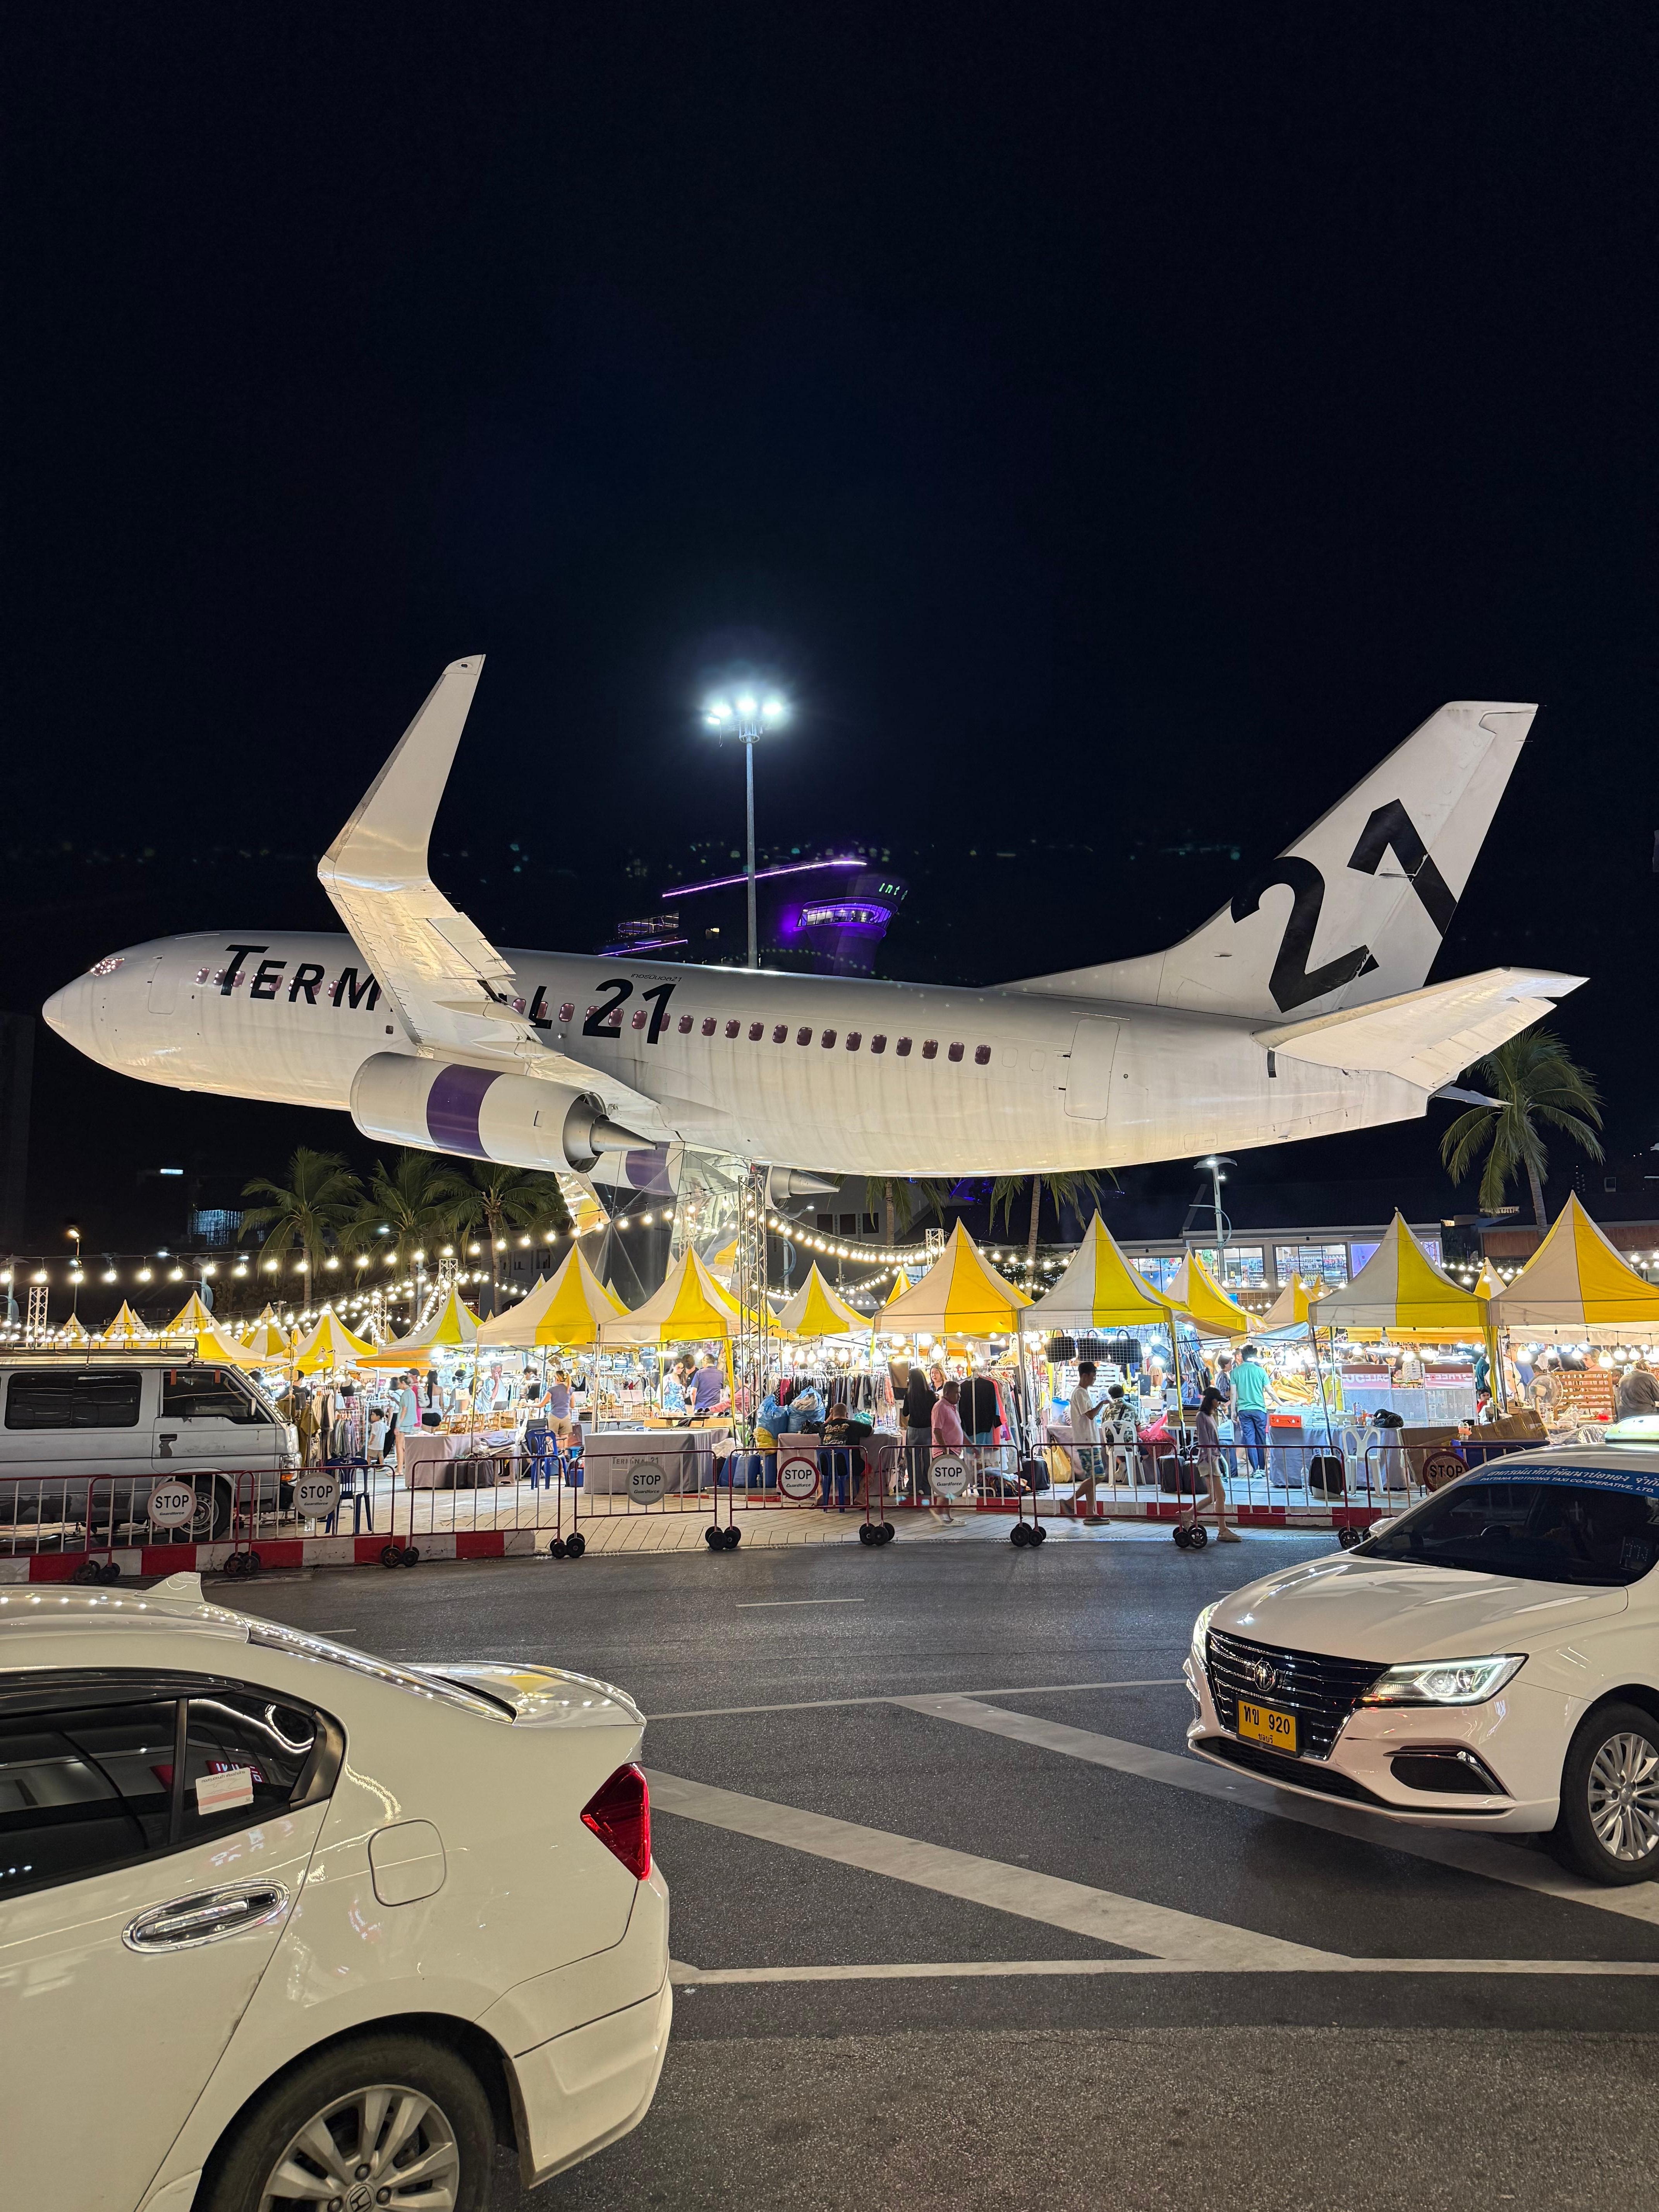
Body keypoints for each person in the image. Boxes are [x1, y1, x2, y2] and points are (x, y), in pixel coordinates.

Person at [1193, 1386, 1241, 1540]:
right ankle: (1222, 1530)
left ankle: (1188, 1515)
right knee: (1220, 1496)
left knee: (1215, 1496)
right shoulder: (1202, 1416)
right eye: (1217, 1401)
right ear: (1211, 1401)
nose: (1219, 1404)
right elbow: (1204, 1440)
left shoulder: (1210, 1416)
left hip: (1212, 1458)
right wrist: (1211, 1457)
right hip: (1208, 1460)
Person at [1063, 1360, 1109, 1517]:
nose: (1094, 1379)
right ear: (1085, 1376)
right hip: (1087, 1441)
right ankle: (1071, 1502)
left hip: (1088, 1440)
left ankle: (1091, 1512)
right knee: (1099, 1476)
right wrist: (1102, 1404)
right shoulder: (1080, 1393)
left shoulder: (1082, 1392)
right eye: (1093, 1376)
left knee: (1092, 1478)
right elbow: (1090, 1414)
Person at [1232, 1342, 1273, 1474]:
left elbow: (1233, 1394)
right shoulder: (1261, 1371)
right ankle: (1262, 1468)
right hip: (1260, 1410)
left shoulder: (1235, 1372)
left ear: (1243, 1356)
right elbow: (1270, 1390)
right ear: (1255, 1355)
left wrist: (1233, 1411)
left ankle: (1255, 1469)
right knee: (1261, 1439)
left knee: (1250, 1440)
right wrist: (1281, 1403)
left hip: (1243, 1410)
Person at [900, 1359, 938, 1503]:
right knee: (928, 1459)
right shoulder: (931, 1395)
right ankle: (928, 1487)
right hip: (928, 1429)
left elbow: (905, 1413)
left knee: (913, 1460)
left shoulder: (909, 1395)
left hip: (914, 1430)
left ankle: (913, 1487)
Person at [930, 1377, 965, 1525]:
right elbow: (937, 1431)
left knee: (953, 1484)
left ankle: (946, 1514)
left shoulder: (952, 1408)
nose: (959, 1396)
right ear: (948, 1393)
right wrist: (946, 1450)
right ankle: (940, 1510)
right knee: (949, 1484)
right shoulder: (940, 1407)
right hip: (945, 1453)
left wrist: (970, 1445)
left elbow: (958, 1429)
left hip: (954, 1452)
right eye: (957, 1393)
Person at [1617, 1356, 1659, 1420]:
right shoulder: (1649, 1377)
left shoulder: (1624, 1378)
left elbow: (1619, 1397)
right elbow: (1658, 1396)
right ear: (1647, 1369)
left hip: (1624, 1414)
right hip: (1644, 1413)